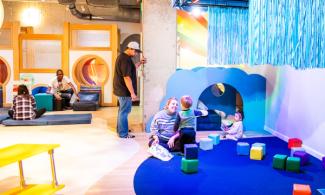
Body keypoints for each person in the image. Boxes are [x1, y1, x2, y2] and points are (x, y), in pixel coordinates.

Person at [113, 41, 147, 138]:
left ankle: (120, 129)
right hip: (124, 91)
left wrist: (140, 63)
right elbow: (127, 77)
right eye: (135, 51)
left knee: (122, 111)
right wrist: (132, 93)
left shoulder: (124, 58)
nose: (136, 53)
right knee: (124, 112)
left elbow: (132, 69)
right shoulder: (125, 59)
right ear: (130, 49)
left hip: (120, 89)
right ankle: (123, 134)